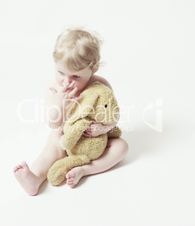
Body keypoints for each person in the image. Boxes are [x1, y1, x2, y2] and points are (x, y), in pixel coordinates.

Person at [14, 27, 129, 196]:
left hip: (96, 139)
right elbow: (53, 123)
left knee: (122, 147)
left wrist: (104, 128)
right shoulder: (54, 90)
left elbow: (112, 114)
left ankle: (86, 169)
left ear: (93, 70)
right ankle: (35, 178)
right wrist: (60, 104)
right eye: (61, 72)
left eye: (76, 77)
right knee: (52, 145)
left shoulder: (100, 85)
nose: (66, 81)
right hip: (66, 138)